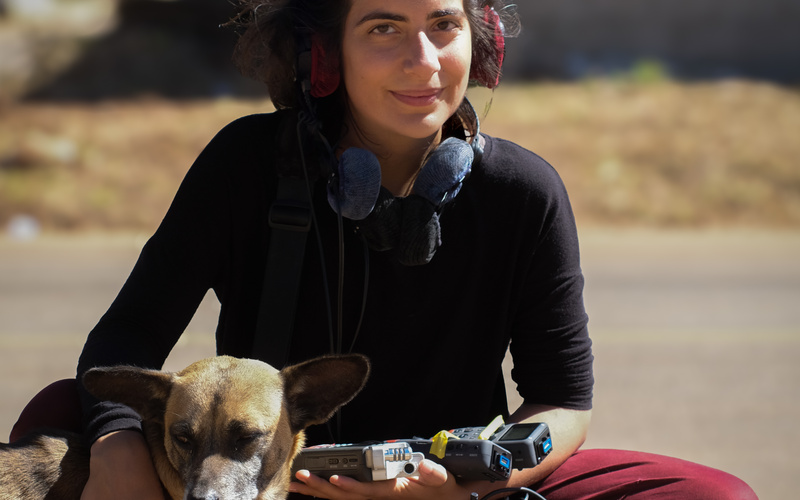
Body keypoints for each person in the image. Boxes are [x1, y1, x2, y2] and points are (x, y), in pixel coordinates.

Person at [10, 0, 754, 499]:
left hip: (451, 488)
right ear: (324, 54)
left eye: (443, 25)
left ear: (479, 38)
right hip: (270, 485)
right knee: (62, 411)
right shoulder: (246, 163)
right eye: (382, 29)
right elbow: (125, 338)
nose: (423, 60)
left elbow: (563, 399)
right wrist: (116, 453)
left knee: (716, 495)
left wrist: (478, 476)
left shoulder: (526, 191)